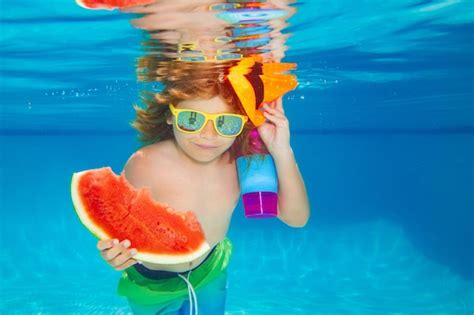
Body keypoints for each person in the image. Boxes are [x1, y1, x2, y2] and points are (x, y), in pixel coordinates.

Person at [95, 60, 310, 314]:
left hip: (210, 270)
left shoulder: (241, 162)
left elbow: (296, 218)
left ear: (243, 123)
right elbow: (117, 226)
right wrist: (114, 253)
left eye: (226, 122)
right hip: (153, 284)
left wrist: (281, 149)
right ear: (170, 114)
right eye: (192, 119)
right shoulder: (146, 164)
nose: (209, 135)